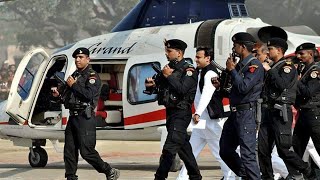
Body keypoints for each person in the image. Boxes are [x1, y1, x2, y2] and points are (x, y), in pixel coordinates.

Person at [52, 47, 120, 180]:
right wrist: (58, 95)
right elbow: (67, 97)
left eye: (80, 57)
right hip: (73, 117)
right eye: (76, 57)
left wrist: (73, 85)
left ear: (88, 59)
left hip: (85, 117)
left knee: (87, 152)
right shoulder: (75, 75)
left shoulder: (92, 76)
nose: (77, 60)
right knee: (69, 151)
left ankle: (109, 170)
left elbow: (88, 95)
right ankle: (71, 177)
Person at [258, 38, 315, 180]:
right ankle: (267, 177)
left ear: (279, 50)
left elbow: (282, 84)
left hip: (280, 112)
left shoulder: (287, 66)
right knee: (262, 150)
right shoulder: (274, 66)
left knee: (283, 149)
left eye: (270, 49)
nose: (268, 51)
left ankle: (306, 170)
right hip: (268, 112)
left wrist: (270, 70)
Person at [145, 39, 202, 180]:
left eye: (169, 51)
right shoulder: (168, 68)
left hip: (181, 113)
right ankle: (195, 177)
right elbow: (160, 87)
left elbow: (182, 89)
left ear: (179, 53)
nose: (166, 54)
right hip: (170, 112)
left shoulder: (189, 70)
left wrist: (169, 76)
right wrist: (151, 85)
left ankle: (160, 177)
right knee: (183, 148)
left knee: (169, 147)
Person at [176, 47, 235, 180]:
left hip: (210, 121)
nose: (196, 59)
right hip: (201, 121)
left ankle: (230, 177)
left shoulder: (210, 73)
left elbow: (207, 95)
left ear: (208, 58)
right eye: (196, 57)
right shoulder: (199, 72)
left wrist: (197, 112)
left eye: (199, 57)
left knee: (220, 153)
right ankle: (182, 178)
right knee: (190, 153)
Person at [218, 32, 264, 180]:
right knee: (225, 150)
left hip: (247, 114)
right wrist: (221, 85)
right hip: (234, 113)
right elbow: (234, 90)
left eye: (235, 45)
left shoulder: (254, 65)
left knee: (247, 154)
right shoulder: (240, 66)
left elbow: (244, 87)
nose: (233, 48)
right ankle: (246, 176)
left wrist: (232, 70)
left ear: (243, 47)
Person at [293, 43, 320, 162]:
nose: (299, 56)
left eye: (301, 53)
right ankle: (301, 174)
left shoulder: (316, 71)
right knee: (296, 146)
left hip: (313, 113)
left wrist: (297, 80)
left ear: (310, 54)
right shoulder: (303, 69)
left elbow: (308, 92)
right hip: (303, 112)